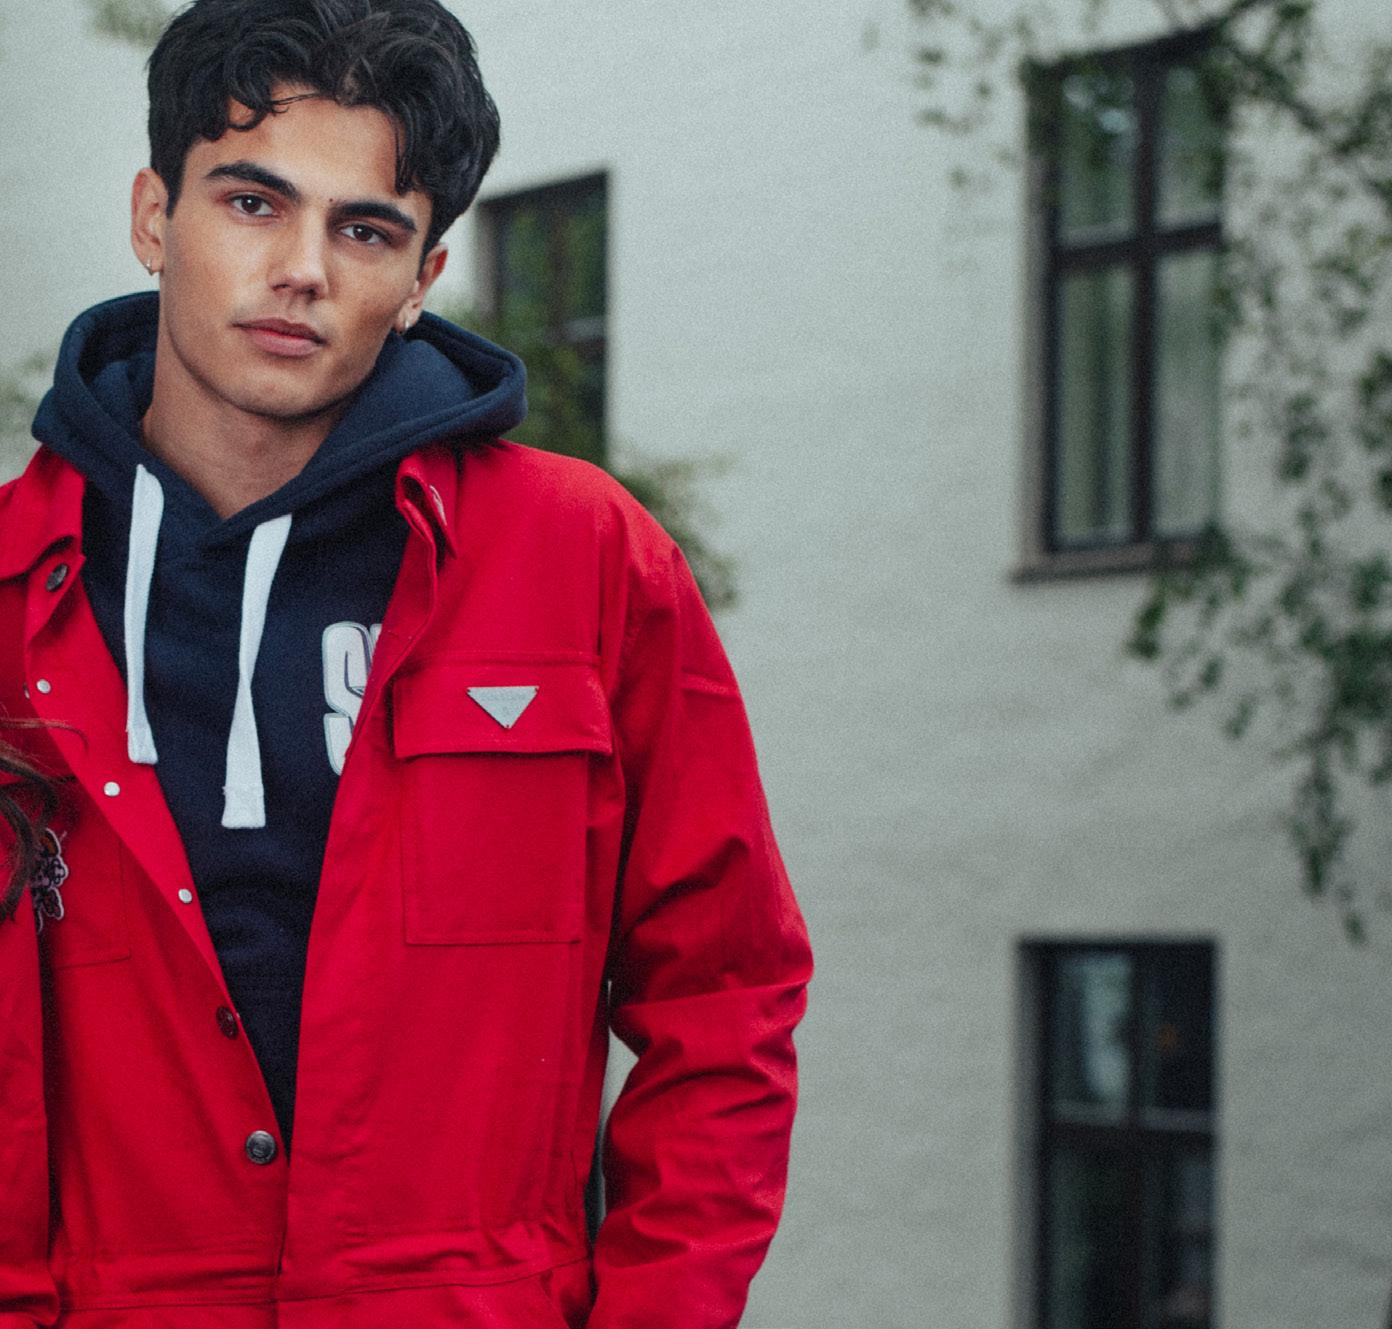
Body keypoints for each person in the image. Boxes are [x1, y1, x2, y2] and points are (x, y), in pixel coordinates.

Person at [0, 1, 811, 1326]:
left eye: (364, 229)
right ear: (154, 216)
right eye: (252, 202)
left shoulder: (584, 561)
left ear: (424, 276)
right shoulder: (10, 590)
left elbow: (726, 991)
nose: (302, 270)